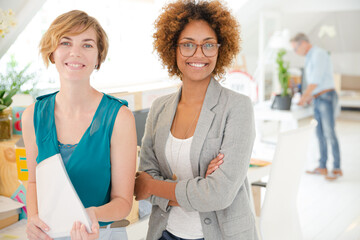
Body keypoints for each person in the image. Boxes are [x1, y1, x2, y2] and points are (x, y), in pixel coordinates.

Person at [134, 1, 258, 239]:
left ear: (220, 49)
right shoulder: (160, 107)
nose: (198, 54)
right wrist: (201, 187)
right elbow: (143, 181)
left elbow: (219, 195)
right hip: (164, 232)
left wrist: (153, 186)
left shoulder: (237, 107)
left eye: (208, 45)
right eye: (188, 44)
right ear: (173, 49)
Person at [22, 10, 137, 240]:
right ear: (52, 53)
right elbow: (34, 180)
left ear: (98, 57)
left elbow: (123, 202)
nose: (75, 53)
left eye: (87, 45)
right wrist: (34, 220)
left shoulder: (119, 117)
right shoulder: (32, 116)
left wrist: (91, 215)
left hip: (102, 234)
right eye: (65, 42)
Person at [290, 33, 342, 180]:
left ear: (303, 43)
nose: (296, 52)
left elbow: (315, 81)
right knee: (319, 134)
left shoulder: (318, 54)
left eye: (295, 49)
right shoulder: (309, 57)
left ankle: (337, 168)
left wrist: (304, 97)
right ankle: (322, 166)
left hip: (326, 97)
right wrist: (308, 97)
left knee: (329, 133)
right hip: (318, 98)